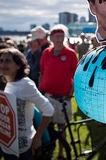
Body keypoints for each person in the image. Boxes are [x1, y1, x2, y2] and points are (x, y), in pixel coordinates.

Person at [0, 47, 54, 159]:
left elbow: (48, 110)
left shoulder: (26, 84)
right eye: (1, 61)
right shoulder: (8, 82)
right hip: (7, 144)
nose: (3, 64)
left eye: (8, 61)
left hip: (23, 149)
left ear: (18, 65)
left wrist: (37, 137)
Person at [39, 24, 78, 160]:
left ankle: (62, 152)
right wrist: (40, 90)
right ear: (51, 38)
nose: (59, 39)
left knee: (62, 127)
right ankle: (48, 149)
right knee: (47, 126)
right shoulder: (46, 53)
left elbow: (76, 76)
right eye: (57, 37)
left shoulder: (71, 54)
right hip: (48, 96)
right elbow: (42, 72)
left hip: (63, 98)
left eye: (62, 36)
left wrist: (71, 93)